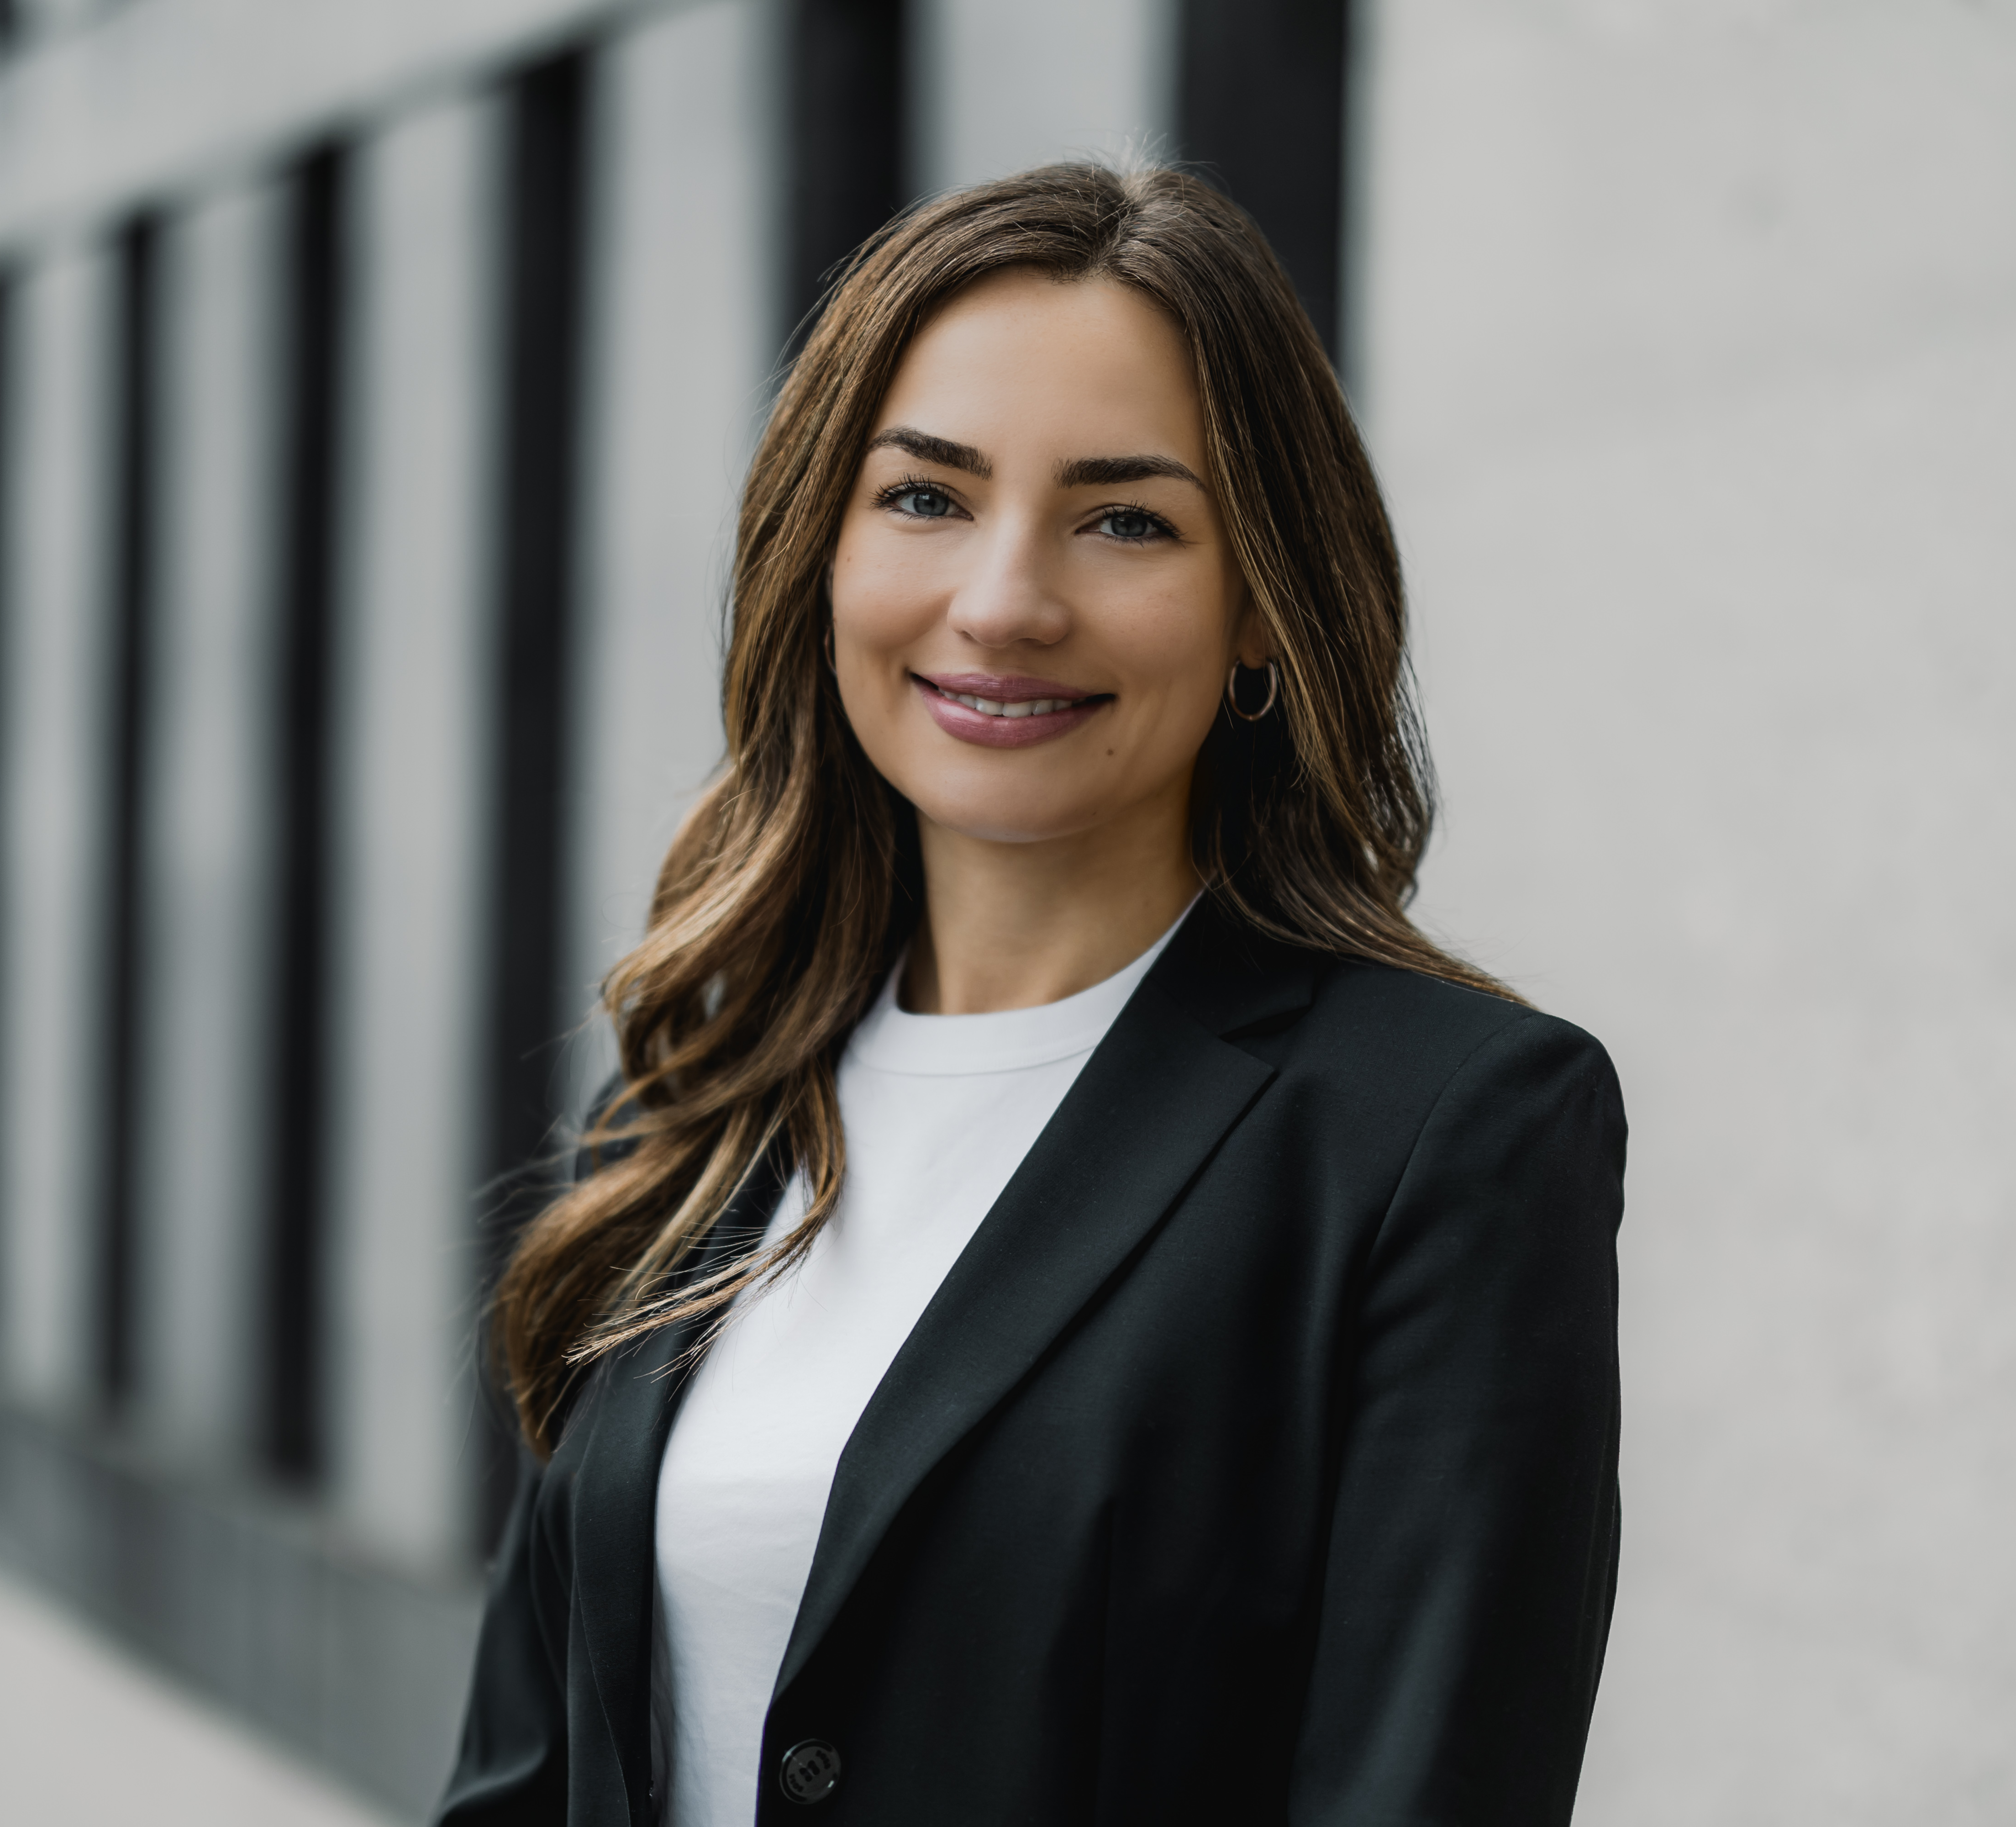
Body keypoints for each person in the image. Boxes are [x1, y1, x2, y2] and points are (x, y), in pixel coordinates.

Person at [439, 162, 1624, 1827]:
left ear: (1264, 607)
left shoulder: (1444, 1136)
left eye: (1126, 517)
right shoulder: (693, 1106)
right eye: (926, 497)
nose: (1003, 602)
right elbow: (520, 1780)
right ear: (822, 556)